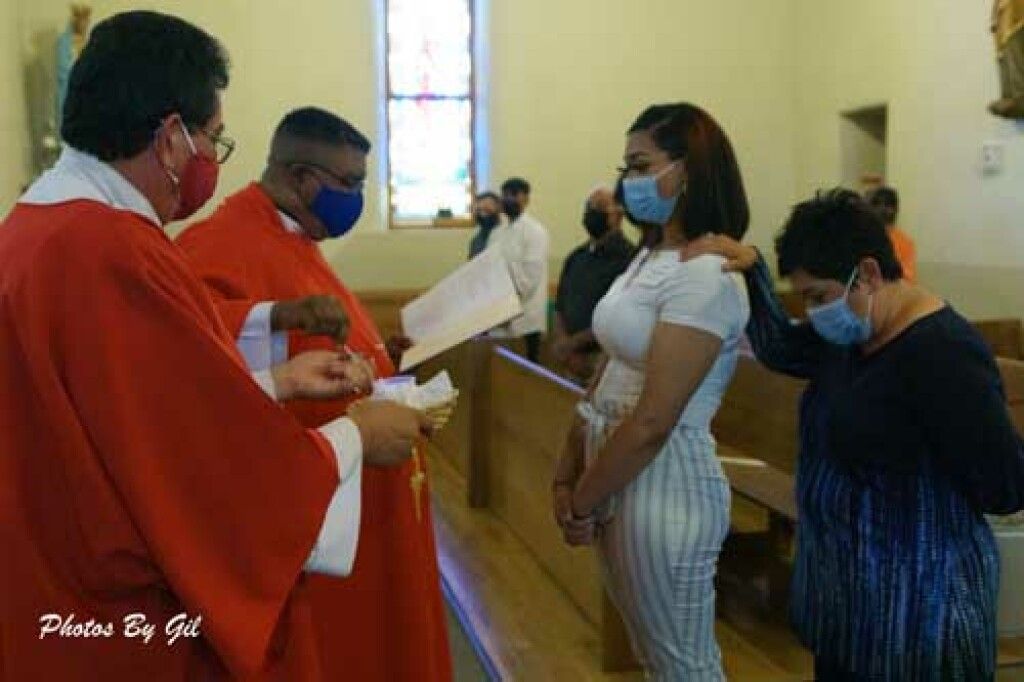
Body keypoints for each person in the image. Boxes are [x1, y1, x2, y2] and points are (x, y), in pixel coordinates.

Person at [0, 12, 431, 680]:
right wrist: (355, 436)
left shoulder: (34, 228)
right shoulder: (111, 249)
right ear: (171, 137)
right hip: (118, 623)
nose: (212, 161)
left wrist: (276, 383)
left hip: (45, 582)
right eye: (214, 138)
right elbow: (206, 477)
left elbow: (136, 422)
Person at [686, 189, 1024, 681]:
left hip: (918, 622)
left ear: (866, 273)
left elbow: (1004, 484)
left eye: (817, 296)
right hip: (849, 615)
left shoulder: (943, 353)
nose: (813, 311)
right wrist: (753, 269)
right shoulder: (851, 335)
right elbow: (782, 348)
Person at [177, 107, 451, 682]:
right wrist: (276, 317)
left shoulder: (295, 235)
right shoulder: (221, 242)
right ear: (303, 179)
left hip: (363, 498)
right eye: (349, 183)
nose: (356, 198)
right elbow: (193, 362)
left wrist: (383, 361)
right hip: (319, 524)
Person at [552, 103, 751, 680]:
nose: (628, 183)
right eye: (626, 168)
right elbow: (608, 369)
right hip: (616, 467)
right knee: (653, 656)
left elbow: (653, 420)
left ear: (690, 169)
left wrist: (584, 498)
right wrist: (568, 469)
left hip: (664, 480)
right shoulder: (650, 255)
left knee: (683, 664)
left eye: (641, 167)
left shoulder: (706, 273)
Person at [552, 185, 633, 384]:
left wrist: (572, 344)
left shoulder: (629, 259)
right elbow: (560, 304)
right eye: (589, 207)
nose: (591, 213)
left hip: (604, 359)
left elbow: (619, 316)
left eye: (599, 208)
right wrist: (564, 343)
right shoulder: (576, 256)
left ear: (618, 215)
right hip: (569, 358)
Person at [487, 176, 550, 362]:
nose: (508, 199)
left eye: (514, 194)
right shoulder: (496, 233)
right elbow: (488, 272)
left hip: (526, 320)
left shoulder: (535, 232)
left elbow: (529, 280)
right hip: (498, 318)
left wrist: (507, 307)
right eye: (505, 194)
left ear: (526, 199)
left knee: (524, 373)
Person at [868, 185, 916, 282]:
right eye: (877, 204)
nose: (882, 209)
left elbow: (908, 277)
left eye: (887, 205)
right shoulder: (863, 237)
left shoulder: (905, 242)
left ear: (895, 210)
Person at [991, 0, 1024, 118]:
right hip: (1006, 19)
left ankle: (1020, 94)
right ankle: (1008, 94)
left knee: (1014, 47)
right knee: (1005, 52)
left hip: (1016, 17)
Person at [467, 190, 502, 259]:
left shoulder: (507, 231)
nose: (483, 215)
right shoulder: (478, 234)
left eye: (487, 208)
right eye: (480, 210)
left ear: (499, 207)